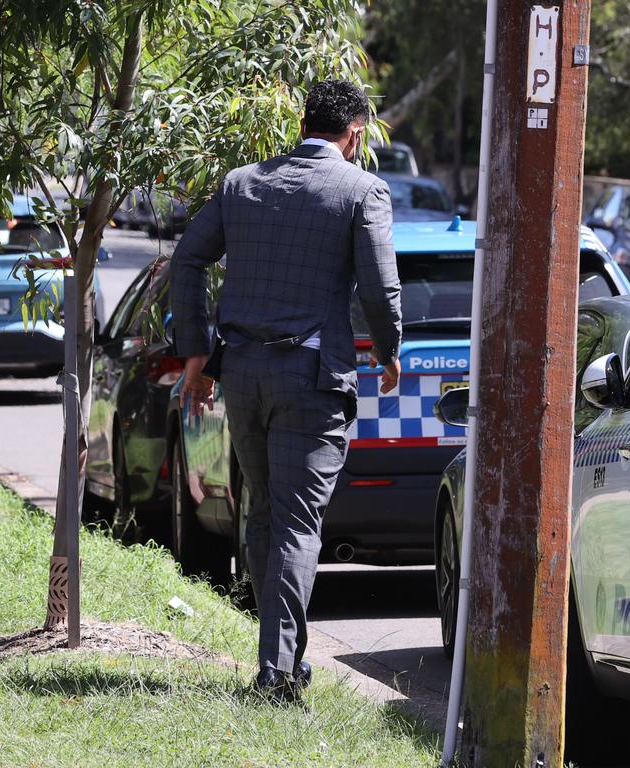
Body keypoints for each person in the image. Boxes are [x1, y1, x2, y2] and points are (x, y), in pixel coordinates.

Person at [170, 79, 402, 702]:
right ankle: (277, 673)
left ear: (303, 123)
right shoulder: (361, 191)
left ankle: (281, 660)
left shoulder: (242, 183)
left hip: (242, 375)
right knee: (298, 524)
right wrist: (390, 352)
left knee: (266, 515)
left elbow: (186, 260)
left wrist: (196, 350)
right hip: (312, 379)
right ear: (354, 134)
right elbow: (380, 290)